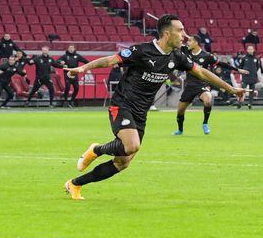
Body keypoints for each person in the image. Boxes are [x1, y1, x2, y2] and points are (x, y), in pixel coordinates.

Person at [63, 14, 247, 200]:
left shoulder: (177, 56)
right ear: (167, 34)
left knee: (123, 162)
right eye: (180, 30)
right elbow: (111, 60)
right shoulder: (141, 51)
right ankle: (96, 150)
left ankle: (75, 184)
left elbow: (201, 72)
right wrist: (84, 68)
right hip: (123, 104)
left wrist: (230, 88)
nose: (184, 35)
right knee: (132, 145)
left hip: (141, 111)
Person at [174, 35, 247, 135]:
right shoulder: (185, 50)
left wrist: (237, 70)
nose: (187, 43)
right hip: (189, 86)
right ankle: (180, 130)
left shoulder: (206, 56)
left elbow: (221, 64)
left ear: (196, 43)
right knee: (180, 111)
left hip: (201, 84)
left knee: (208, 100)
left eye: (190, 41)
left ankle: (205, 123)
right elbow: (175, 43)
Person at [237, 44, 262, 109]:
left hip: (253, 77)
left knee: (251, 91)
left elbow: (257, 67)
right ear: (247, 50)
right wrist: (244, 73)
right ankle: (240, 103)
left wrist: (253, 72)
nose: (250, 50)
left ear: (253, 50)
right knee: (242, 91)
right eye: (249, 49)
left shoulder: (256, 58)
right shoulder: (244, 58)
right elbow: (240, 67)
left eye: (251, 49)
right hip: (245, 77)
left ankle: (250, 104)